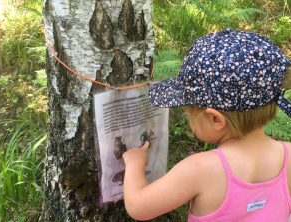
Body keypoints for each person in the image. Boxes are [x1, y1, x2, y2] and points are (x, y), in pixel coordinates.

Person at [122, 29, 291, 221]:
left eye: (189, 112)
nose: (189, 119)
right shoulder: (288, 156)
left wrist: (135, 163)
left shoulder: (200, 169)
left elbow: (138, 206)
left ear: (215, 119)